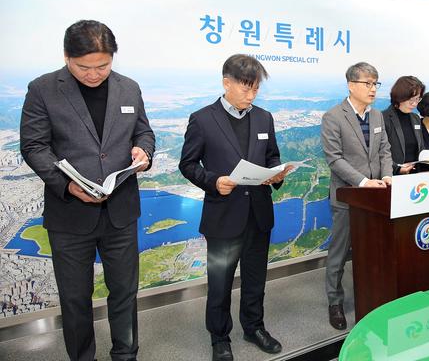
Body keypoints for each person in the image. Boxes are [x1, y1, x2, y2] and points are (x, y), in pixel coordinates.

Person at [20, 20, 155, 361]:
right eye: (84, 67)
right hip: (70, 213)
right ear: (67, 57)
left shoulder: (129, 88)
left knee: (124, 292)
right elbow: (34, 146)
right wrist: (67, 185)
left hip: (121, 211)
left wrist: (144, 151)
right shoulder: (43, 89)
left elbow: (144, 132)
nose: (94, 74)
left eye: (103, 66)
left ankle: (126, 354)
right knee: (75, 298)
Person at [179, 54, 290, 361]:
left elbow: (271, 155)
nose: (251, 95)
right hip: (224, 214)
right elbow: (188, 164)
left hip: (258, 213)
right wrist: (213, 181)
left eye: (256, 88)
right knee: (220, 283)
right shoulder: (202, 119)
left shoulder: (264, 118)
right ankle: (219, 337)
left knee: (255, 279)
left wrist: (276, 172)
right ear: (226, 83)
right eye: (245, 88)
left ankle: (254, 327)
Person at [321, 62, 394, 330]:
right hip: (348, 197)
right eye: (368, 83)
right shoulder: (333, 116)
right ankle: (335, 302)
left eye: (375, 83)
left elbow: (384, 151)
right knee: (339, 253)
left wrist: (387, 176)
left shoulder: (377, 116)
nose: (373, 89)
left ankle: (374, 296)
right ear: (351, 85)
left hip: (376, 199)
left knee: (374, 250)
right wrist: (363, 182)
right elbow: (334, 159)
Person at [382, 76, 425, 175]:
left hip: (416, 174)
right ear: (400, 96)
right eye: (411, 99)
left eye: (417, 99)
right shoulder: (383, 118)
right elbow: (380, 153)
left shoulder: (416, 118)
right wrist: (397, 168)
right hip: (393, 175)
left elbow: (421, 148)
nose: (414, 104)